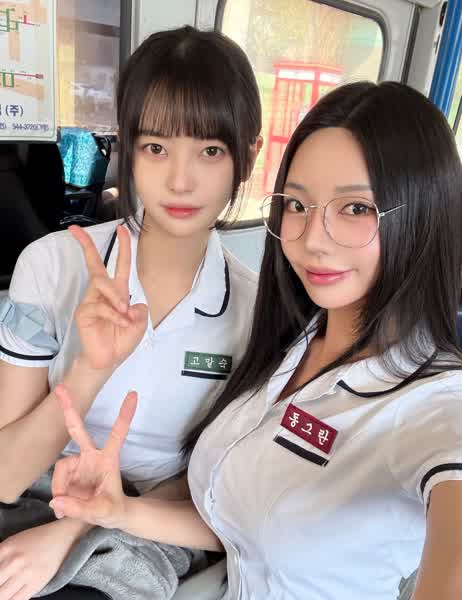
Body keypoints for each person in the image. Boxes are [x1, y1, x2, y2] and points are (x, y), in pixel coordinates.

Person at [48, 80, 462, 600]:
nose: (312, 239)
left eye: (356, 208)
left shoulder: (435, 406)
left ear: (425, 215)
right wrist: (121, 512)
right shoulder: (291, 344)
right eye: (298, 205)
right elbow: (236, 523)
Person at [0, 25, 262, 599]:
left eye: (210, 151)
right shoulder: (50, 266)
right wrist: (92, 368)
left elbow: (210, 486)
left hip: (149, 521)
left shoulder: (257, 314)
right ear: (129, 149)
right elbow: (6, 476)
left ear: (247, 158)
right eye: (156, 148)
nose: (180, 180)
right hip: (35, 492)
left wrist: (75, 530)